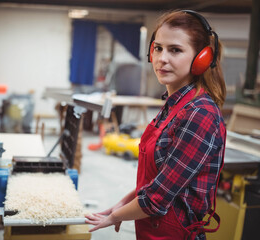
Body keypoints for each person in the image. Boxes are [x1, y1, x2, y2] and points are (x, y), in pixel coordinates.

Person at [85, 10, 227, 240]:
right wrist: (121, 205)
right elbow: (158, 181)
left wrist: (115, 217)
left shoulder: (199, 115)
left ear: (202, 59)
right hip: (152, 229)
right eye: (158, 48)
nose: (162, 58)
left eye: (176, 50)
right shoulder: (173, 105)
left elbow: (157, 198)